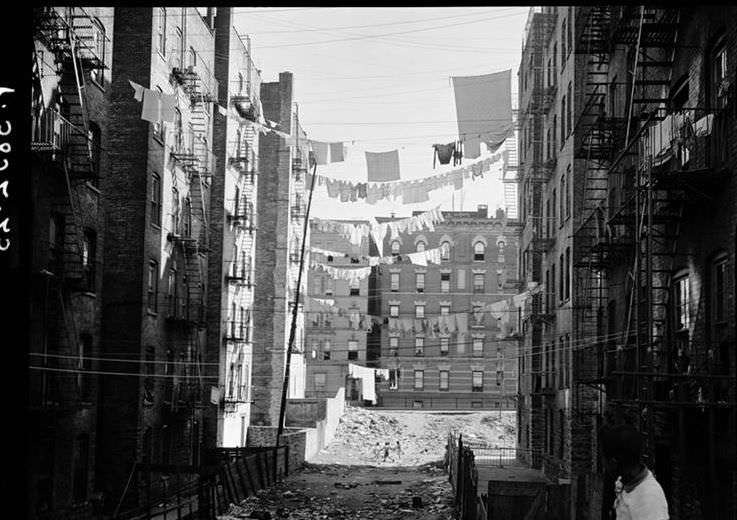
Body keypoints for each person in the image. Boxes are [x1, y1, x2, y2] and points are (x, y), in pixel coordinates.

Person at [599, 424, 669, 520]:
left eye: (603, 458)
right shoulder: (624, 482)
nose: (603, 464)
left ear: (613, 463)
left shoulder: (649, 501)